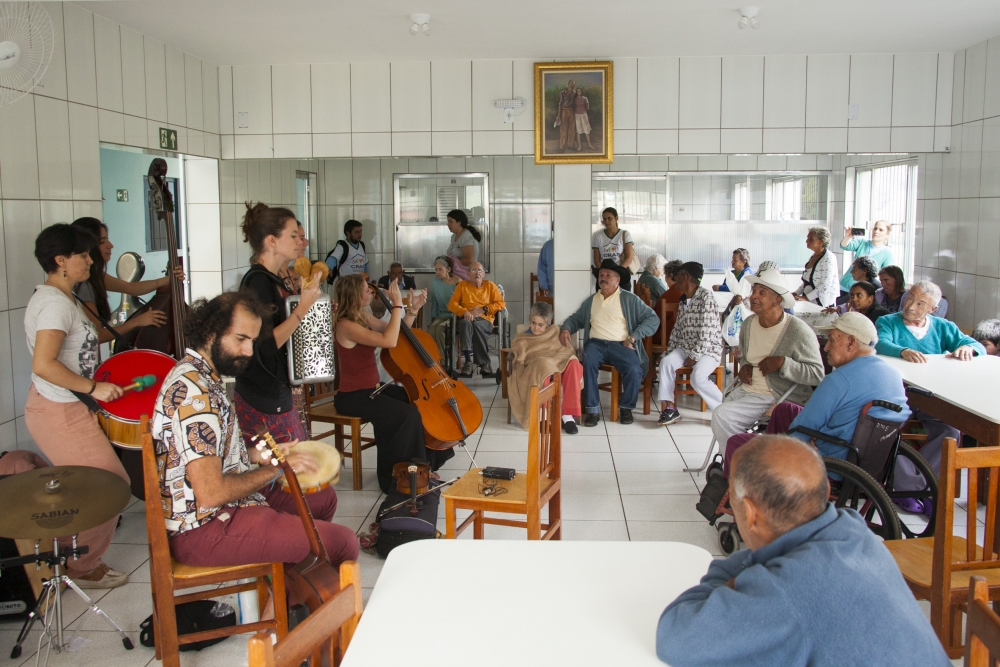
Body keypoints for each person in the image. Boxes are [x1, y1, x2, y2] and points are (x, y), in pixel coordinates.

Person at [657, 435, 951, 667]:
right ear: (824, 490)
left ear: (748, 513)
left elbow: (675, 636)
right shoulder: (852, 529)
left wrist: (734, 576)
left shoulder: (784, 588)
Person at [153, 291, 359, 581]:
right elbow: (212, 494)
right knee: (343, 542)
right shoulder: (195, 398)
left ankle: (290, 586)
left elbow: (209, 454)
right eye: (241, 339)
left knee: (323, 499)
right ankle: (293, 604)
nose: (249, 351)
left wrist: (258, 455)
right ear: (211, 333)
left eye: (252, 340)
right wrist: (276, 469)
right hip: (204, 528)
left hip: (227, 506)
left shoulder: (200, 375)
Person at [24, 224, 130, 588]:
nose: (90, 260)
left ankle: (77, 559)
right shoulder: (53, 303)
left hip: (69, 407)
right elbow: (44, 363)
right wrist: (93, 388)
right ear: (60, 261)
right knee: (111, 485)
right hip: (58, 411)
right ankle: (82, 566)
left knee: (101, 486)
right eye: (82, 255)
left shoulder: (64, 297)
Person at [721, 313, 910, 475]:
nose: (826, 347)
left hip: (828, 462)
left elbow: (800, 430)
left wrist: (810, 441)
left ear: (851, 342)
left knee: (738, 441)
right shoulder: (894, 376)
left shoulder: (839, 381)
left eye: (832, 340)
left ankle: (741, 501)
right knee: (784, 410)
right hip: (868, 460)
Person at [331, 274, 451, 493]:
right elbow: (389, 341)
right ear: (355, 296)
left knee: (417, 403)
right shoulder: (346, 325)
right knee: (406, 415)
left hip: (372, 390)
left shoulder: (362, 317)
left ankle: (424, 466)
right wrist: (397, 304)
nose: (370, 292)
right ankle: (402, 475)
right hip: (353, 397)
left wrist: (412, 310)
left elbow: (397, 333)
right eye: (366, 290)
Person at [875, 280, 985, 509]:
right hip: (898, 394)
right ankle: (908, 489)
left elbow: (975, 345)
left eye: (920, 303)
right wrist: (902, 351)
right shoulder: (888, 321)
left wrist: (968, 348)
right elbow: (881, 344)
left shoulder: (943, 327)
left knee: (950, 431)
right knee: (884, 428)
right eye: (911, 297)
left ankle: (922, 488)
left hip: (929, 396)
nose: (911, 305)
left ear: (932, 309)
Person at [235, 203, 323, 447]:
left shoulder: (274, 281)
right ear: (272, 241)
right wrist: (303, 307)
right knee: (291, 466)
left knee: (289, 468)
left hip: (275, 385)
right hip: (263, 390)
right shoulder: (258, 282)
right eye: (293, 235)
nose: (300, 241)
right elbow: (265, 343)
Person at [711, 268, 824, 447]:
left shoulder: (797, 331)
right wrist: (745, 364)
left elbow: (817, 374)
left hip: (776, 395)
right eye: (754, 290)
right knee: (721, 415)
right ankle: (743, 461)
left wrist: (783, 363)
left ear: (777, 300)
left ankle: (741, 465)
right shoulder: (748, 324)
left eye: (762, 293)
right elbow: (746, 357)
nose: (754, 296)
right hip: (748, 390)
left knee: (722, 416)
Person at [559, 263, 658, 426]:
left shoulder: (629, 299)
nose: (603, 278)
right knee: (587, 363)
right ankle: (592, 409)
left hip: (621, 344)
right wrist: (566, 329)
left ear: (617, 280)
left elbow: (653, 318)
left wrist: (634, 337)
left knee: (634, 369)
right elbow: (576, 318)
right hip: (596, 344)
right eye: (601, 275)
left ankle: (626, 407)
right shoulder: (591, 301)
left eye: (608, 275)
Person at [70, 217, 182, 342]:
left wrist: (168, 279)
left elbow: (131, 288)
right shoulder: (84, 284)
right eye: (102, 242)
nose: (110, 245)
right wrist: (137, 321)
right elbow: (98, 335)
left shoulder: (94, 276)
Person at [656, 262, 723, 425]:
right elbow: (677, 331)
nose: (674, 279)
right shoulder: (684, 300)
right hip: (686, 348)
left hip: (708, 349)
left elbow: (706, 331)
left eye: (677, 275)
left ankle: (723, 410)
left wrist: (695, 355)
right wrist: (667, 352)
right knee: (666, 363)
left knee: (698, 378)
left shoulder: (705, 297)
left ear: (685, 277)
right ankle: (670, 409)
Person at [508, 302, 584, 434]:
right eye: (533, 323)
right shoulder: (523, 338)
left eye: (540, 324)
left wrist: (557, 361)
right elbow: (519, 357)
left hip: (558, 364)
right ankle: (543, 416)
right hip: (537, 368)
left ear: (548, 324)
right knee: (542, 365)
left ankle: (567, 416)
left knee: (574, 363)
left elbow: (566, 351)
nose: (536, 327)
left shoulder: (555, 332)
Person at [447, 261, 505, 377]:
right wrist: (465, 312)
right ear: (468, 274)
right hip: (466, 319)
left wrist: (483, 309)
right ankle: (469, 362)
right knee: (466, 324)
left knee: (476, 325)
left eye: (479, 270)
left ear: (483, 273)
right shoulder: (462, 286)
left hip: (485, 321)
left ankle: (483, 363)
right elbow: (451, 304)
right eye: (473, 270)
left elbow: (501, 304)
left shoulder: (490, 285)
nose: (477, 273)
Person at [840, 221, 894, 293]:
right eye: (875, 228)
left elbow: (887, 275)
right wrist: (847, 237)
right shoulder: (862, 242)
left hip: (859, 290)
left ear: (887, 234)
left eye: (880, 230)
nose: (876, 231)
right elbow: (844, 246)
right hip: (843, 284)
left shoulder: (887, 253)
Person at [792, 226, 839, 308]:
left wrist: (806, 298)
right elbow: (807, 282)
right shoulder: (813, 257)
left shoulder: (828, 258)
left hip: (822, 304)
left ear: (821, 242)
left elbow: (825, 285)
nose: (807, 241)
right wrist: (795, 294)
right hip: (809, 302)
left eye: (811, 239)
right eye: (807, 238)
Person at [427, 256, 461, 365]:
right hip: (440, 315)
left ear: (448, 269)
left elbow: (462, 302)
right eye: (436, 269)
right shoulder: (435, 282)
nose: (437, 272)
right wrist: (433, 317)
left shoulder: (458, 281)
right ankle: (433, 359)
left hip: (454, 315)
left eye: (440, 269)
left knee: (441, 329)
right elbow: (434, 301)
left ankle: (443, 361)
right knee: (431, 330)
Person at [591, 207, 635, 275]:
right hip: (605, 273)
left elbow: (629, 258)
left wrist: (616, 272)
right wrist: (605, 273)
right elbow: (597, 260)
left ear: (616, 218)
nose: (607, 221)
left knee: (625, 285)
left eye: (609, 218)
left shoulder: (625, 234)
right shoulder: (598, 236)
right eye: (604, 219)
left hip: (621, 272)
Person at [825, 281, 890, 324]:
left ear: (870, 298)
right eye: (852, 295)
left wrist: (849, 315)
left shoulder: (879, 313)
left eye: (859, 295)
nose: (854, 299)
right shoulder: (860, 311)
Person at [445, 209, 481, 281]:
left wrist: (452, 266)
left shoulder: (466, 236)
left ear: (459, 223)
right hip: (457, 276)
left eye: (451, 221)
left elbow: (469, 259)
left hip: (467, 276)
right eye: (448, 221)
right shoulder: (453, 237)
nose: (448, 224)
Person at [556, 79, 577, 151]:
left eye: (573, 85)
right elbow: (560, 104)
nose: (572, 86)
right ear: (568, 84)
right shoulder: (562, 93)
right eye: (571, 84)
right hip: (564, 110)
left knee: (572, 129)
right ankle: (562, 146)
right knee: (563, 129)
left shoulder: (575, 93)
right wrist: (558, 115)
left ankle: (570, 145)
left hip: (572, 111)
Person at [573, 86, 593, 151]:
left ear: (582, 92)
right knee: (578, 130)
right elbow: (573, 107)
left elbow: (587, 107)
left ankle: (589, 144)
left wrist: (583, 112)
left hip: (584, 115)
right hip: (577, 115)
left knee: (586, 129)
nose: (579, 92)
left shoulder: (585, 98)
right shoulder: (575, 99)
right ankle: (579, 146)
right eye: (578, 91)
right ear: (576, 92)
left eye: (580, 91)